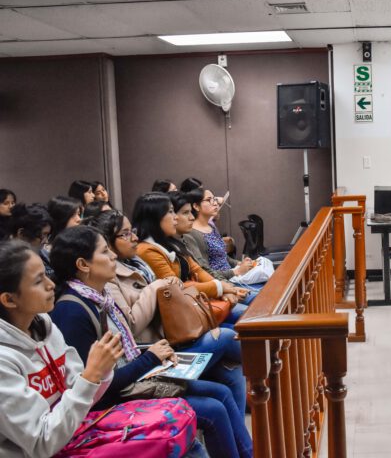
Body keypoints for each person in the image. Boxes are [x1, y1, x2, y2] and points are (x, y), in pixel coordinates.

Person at [49, 226, 252, 458]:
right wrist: (151, 358)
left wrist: (154, 355)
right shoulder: (72, 312)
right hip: (115, 401)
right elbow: (97, 389)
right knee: (213, 407)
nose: (113, 255)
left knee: (222, 390)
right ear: (83, 265)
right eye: (105, 251)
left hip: (136, 378)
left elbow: (124, 354)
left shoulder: (100, 297)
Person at [85, 209, 246, 414]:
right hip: (157, 347)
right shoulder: (112, 276)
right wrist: (157, 287)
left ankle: (266, 379)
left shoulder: (141, 260)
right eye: (125, 234)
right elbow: (129, 326)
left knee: (232, 371)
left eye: (132, 231)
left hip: (175, 333)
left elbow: (196, 271)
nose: (134, 237)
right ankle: (269, 367)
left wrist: (222, 286)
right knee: (227, 334)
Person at [0, 239, 121, 457]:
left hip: (74, 436)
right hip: (48, 449)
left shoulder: (45, 327)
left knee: (171, 422)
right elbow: (41, 442)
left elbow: (81, 396)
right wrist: (91, 376)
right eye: (38, 281)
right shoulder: (4, 360)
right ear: (9, 299)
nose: (51, 285)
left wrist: (100, 372)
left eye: (46, 275)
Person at [131, 192, 250, 326]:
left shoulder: (171, 242)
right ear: (154, 218)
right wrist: (221, 288)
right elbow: (176, 288)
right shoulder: (147, 250)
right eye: (171, 212)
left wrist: (224, 289)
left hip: (198, 301)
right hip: (182, 317)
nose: (175, 217)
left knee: (248, 314)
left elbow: (197, 269)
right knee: (241, 324)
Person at [8, 203, 56, 281]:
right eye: (43, 235)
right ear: (21, 234)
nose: (46, 241)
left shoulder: (43, 253)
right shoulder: (6, 264)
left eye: (47, 235)